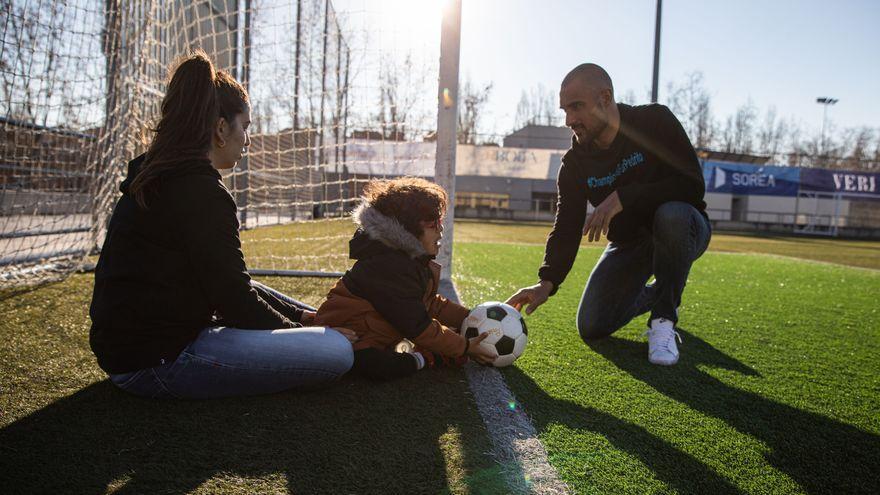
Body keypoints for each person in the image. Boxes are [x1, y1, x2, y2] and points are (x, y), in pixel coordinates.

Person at [88, 50, 355, 399]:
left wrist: (305, 320)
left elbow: (230, 284)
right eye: (245, 126)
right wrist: (298, 334)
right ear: (219, 129)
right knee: (336, 351)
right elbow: (234, 300)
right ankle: (322, 335)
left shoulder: (161, 174)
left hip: (131, 351)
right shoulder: (202, 192)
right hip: (157, 361)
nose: (247, 138)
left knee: (258, 290)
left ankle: (312, 322)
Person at [506, 63, 711, 366]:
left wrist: (625, 196)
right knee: (592, 325)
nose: (569, 120)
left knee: (672, 215)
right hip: (629, 244)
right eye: (564, 110)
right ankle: (660, 289)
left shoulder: (653, 121)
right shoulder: (575, 164)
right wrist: (547, 281)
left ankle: (664, 320)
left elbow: (692, 185)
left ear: (605, 98)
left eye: (576, 107)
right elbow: (566, 225)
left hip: (683, 228)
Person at [315, 178, 496, 380]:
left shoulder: (408, 260)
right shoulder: (389, 266)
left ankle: (424, 350)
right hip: (353, 339)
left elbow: (429, 303)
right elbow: (417, 325)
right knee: (375, 365)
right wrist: (464, 347)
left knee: (436, 335)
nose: (441, 229)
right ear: (407, 228)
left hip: (376, 333)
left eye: (440, 222)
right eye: (433, 223)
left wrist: (471, 317)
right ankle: (425, 358)